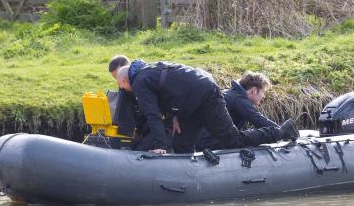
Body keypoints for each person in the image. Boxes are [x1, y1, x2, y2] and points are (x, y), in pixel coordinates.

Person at [112, 58, 299, 154]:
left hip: (206, 95)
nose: (125, 91)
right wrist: (175, 117)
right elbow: (173, 91)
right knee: (181, 142)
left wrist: (160, 146)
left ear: (126, 80)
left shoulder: (139, 82)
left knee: (232, 140)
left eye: (122, 87)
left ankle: (280, 132)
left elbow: (152, 114)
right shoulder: (148, 72)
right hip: (191, 101)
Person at [197, 72, 278, 150]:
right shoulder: (239, 99)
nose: (263, 96)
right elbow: (258, 119)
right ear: (254, 90)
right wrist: (281, 131)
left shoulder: (233, 94)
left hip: (202, 141)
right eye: (263, 92)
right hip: (211, 145)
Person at [108, 55, 172, 151]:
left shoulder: (144, 82)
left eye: (119, 77)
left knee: (141, 150)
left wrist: (160, 144)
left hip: (164, 125)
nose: (120, 85)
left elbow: (154, 113)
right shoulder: (126, 88)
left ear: (126, 70)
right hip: (148, 127)